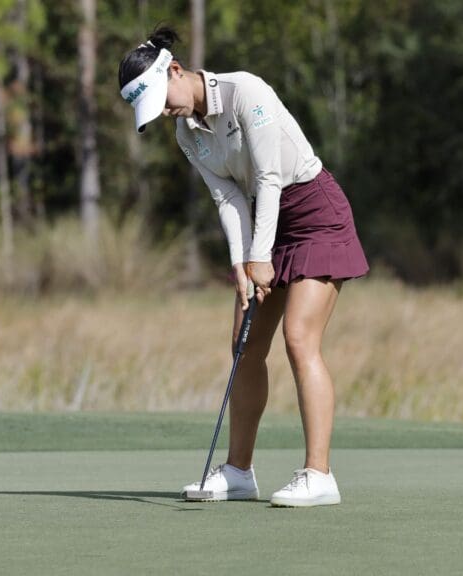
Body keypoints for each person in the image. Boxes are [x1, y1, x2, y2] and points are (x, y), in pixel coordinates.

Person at [118, 26, 369, 507]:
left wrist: (259, 256)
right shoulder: (186, 133)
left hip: (315, 213)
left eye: (162, 99)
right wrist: (240, 262)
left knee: (299, 338)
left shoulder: (244, 92)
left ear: (175, 70)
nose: (166, 112)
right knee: (245, 344)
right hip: (265, 222)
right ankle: (238, 472)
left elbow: (271, 176)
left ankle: (319, 475)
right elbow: (227, 195)